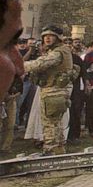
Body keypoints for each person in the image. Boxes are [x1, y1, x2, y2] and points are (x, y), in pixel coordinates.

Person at [21, 26, 75, 155]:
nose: (47, 38)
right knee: (56, 124)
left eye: (51, 36)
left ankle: (50, 150)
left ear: (58, 38)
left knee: (50, 123)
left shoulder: (58, 52)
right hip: (57, 91)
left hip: (53, 91)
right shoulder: (62, 50)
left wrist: (18, 65)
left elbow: (41, 64)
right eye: (45, 36)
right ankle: (59, 149)